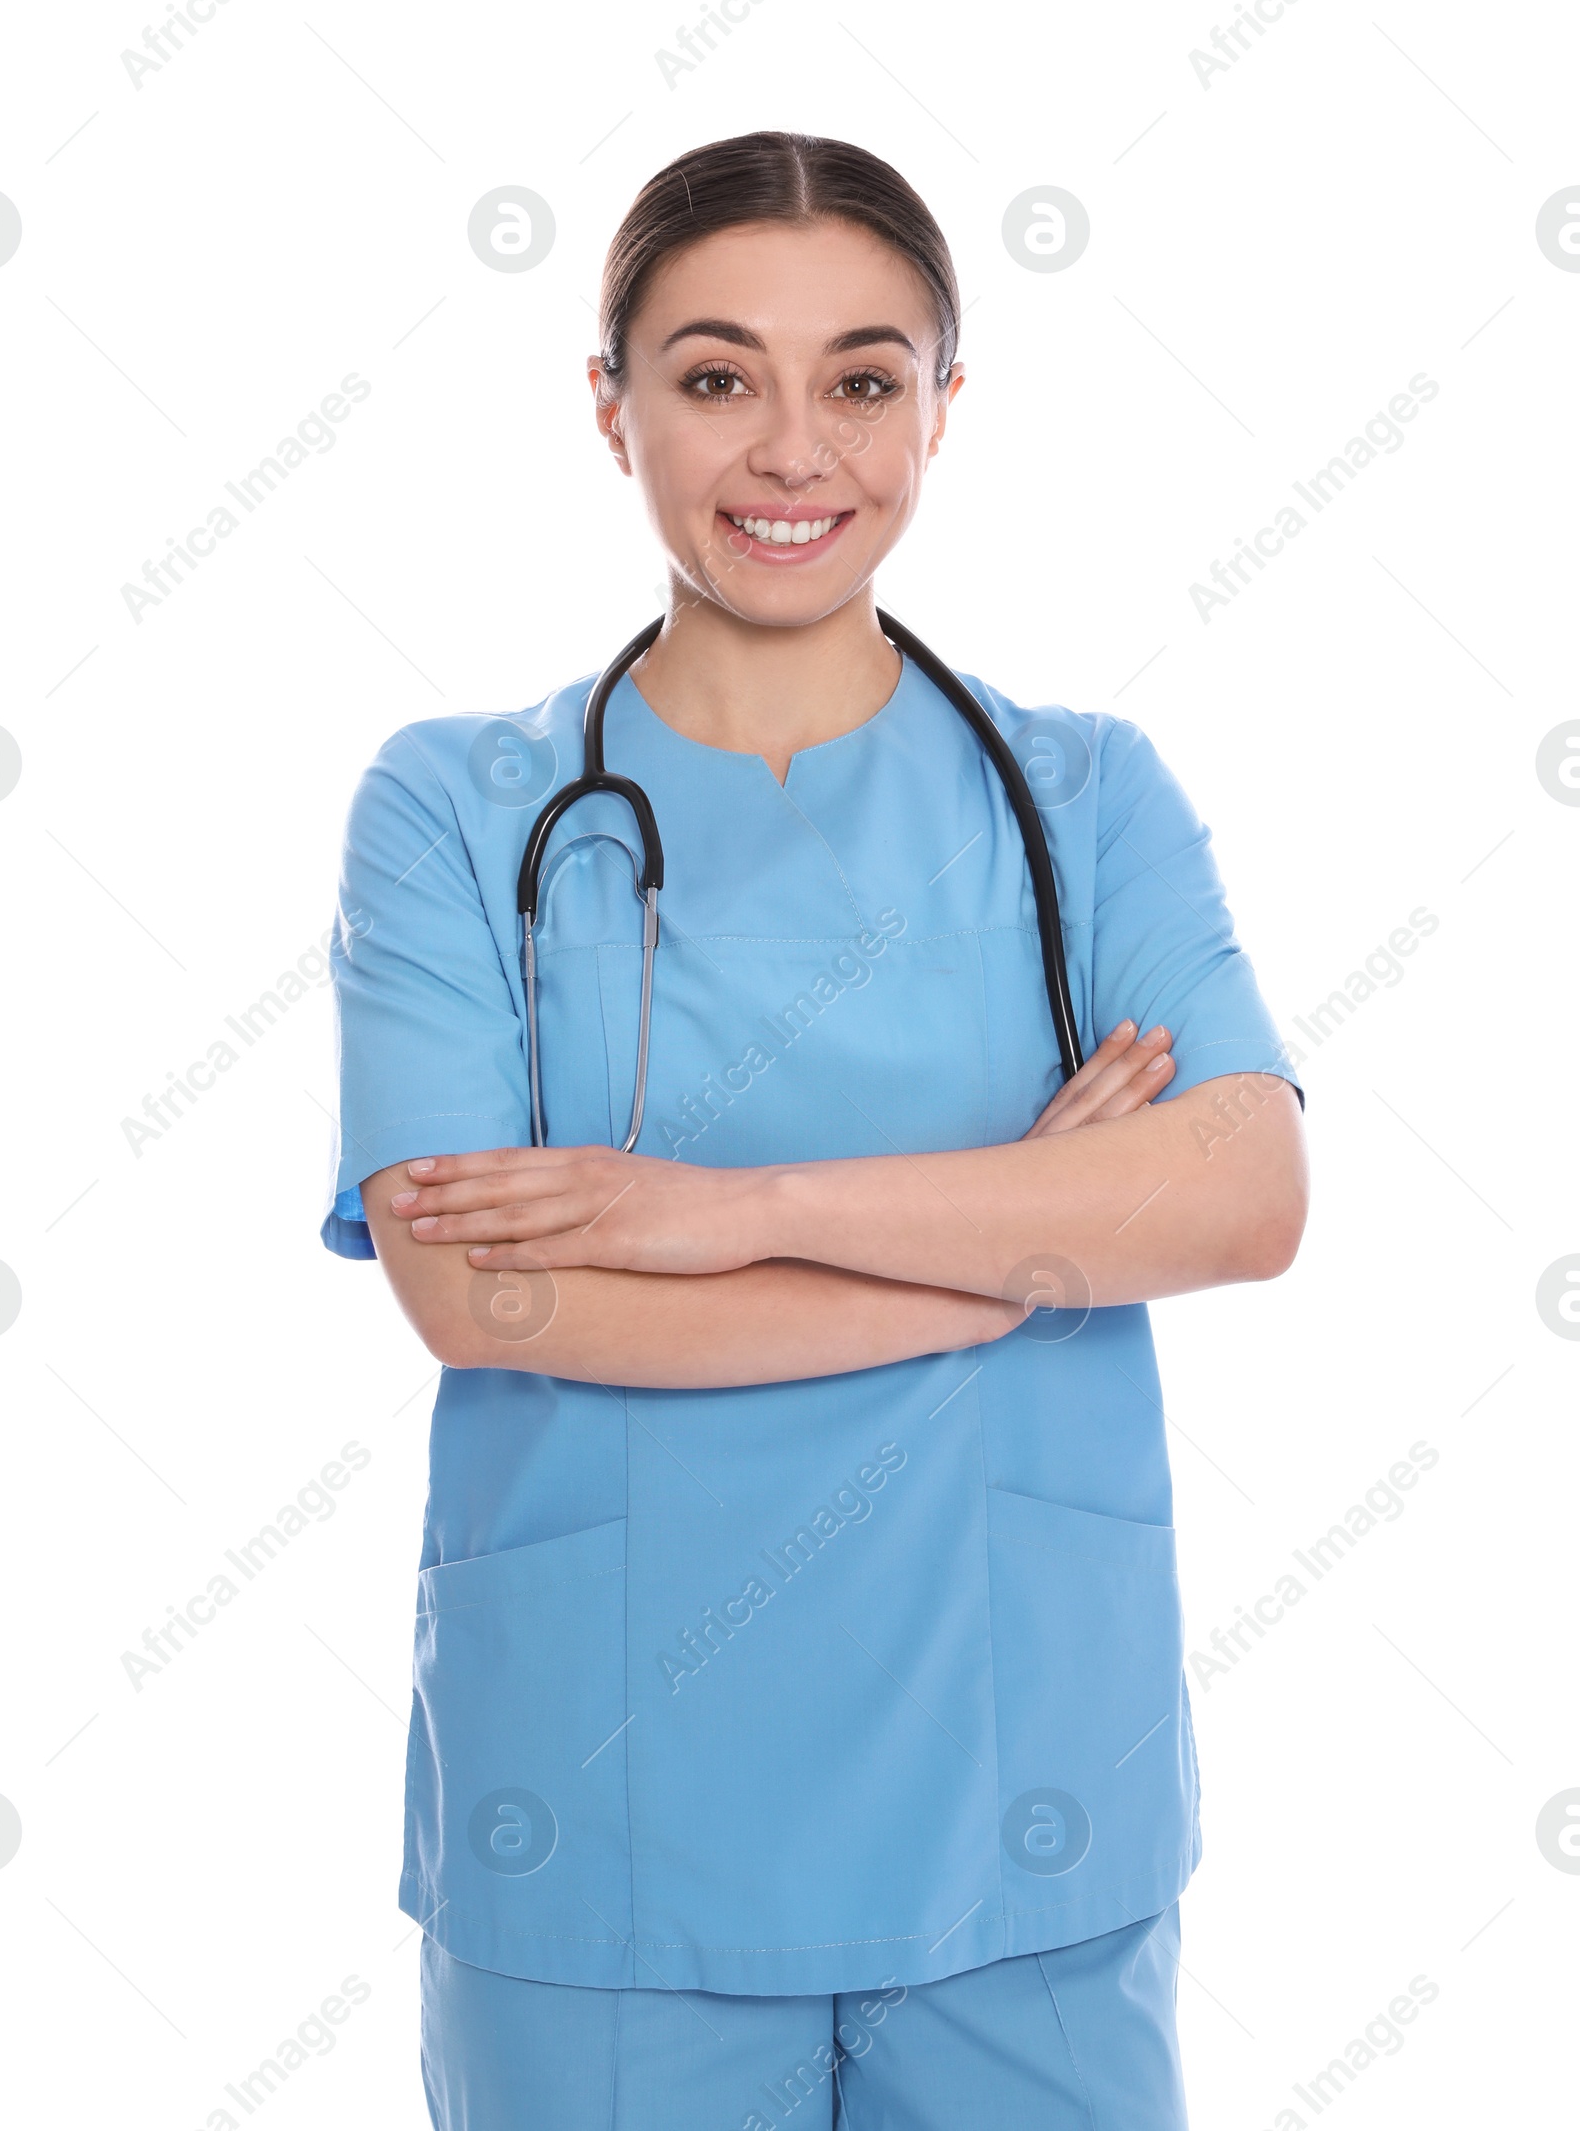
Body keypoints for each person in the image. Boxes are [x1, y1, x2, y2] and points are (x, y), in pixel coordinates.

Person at [321, 130, 1309, 2131]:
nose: (792, 449)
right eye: (711, 376)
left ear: (944, 407)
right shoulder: (451, 809)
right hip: (600, 1812)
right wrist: (1005, 1256)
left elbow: (1239, 1195)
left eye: (861, 378)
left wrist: (721, 1210)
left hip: (1018, 1786)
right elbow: (482, 1290)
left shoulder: (1085, 797)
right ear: (608, 409)